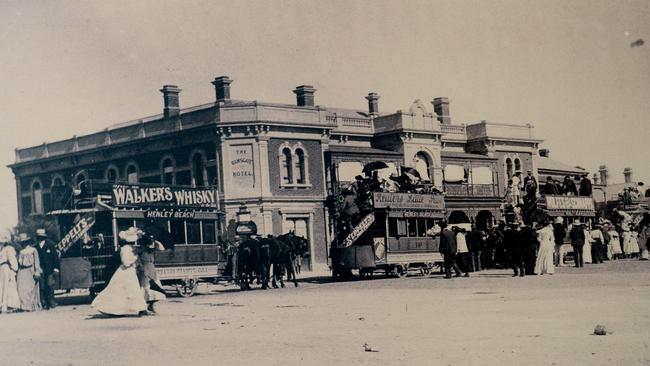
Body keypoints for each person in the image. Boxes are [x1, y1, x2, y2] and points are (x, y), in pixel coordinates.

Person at [91, 228, 147, 316]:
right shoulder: (125, 249)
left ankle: (140, 309)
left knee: (129, 290)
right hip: (126, 271)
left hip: (130, 271)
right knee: (124, 290)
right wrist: (134, 259)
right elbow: (125, 262)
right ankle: (139, 309)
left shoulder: (131, 249)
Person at [137, 233, 166, 314]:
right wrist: (141, 268)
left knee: (157, 289)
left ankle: (151, 305)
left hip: (152, 269)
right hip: (144, 269)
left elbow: (161, 248)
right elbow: (138, 261)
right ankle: (142, 309)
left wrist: (155, 240)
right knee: (145, 289)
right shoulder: (140, 250)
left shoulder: (151, 249)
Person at [34, 229, 60, 310]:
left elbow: (55, 258)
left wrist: (56, 268)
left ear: (44, 237)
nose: (40, 239)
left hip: (50, 270)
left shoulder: (50, 245)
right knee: (42, 287)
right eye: (39, 237)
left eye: (41, 237)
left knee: (50, 286)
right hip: (41, 270)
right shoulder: (35, 247)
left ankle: (51, 302)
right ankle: (44, 303)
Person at [16, 233, 42, 312]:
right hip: (22, 271)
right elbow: (18, 263)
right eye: (22, 242)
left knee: (30, 289)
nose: (23, 244)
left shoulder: (33, 250)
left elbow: (36, 262)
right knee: (21, 289)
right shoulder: (21, 252)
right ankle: (23, 306)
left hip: (30, 271)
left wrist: (37, 271)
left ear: (27, 242)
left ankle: (30, 306)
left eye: (24, 242)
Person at [0, 238, 20, 313]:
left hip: (5, 269)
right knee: (1, 287)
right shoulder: (2, 250)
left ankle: (7, 305)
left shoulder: (8, 249)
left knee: (6, 286)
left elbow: (12, 260)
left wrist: (14, 269)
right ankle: (2, 305)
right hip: (1, 269)